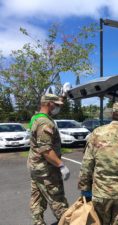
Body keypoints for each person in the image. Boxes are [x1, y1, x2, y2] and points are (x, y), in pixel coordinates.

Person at [27, 94, 70, 225]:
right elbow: (46, 150)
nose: (57, 107)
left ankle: (38, 223)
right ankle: (67, 222)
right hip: (46, 169)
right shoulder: (44, 122)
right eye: (55, 104)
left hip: (36, 167)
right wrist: (61, 165)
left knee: (37, 198)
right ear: (48, 104)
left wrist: (64, 96)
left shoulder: (37, 117)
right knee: (58, 201)